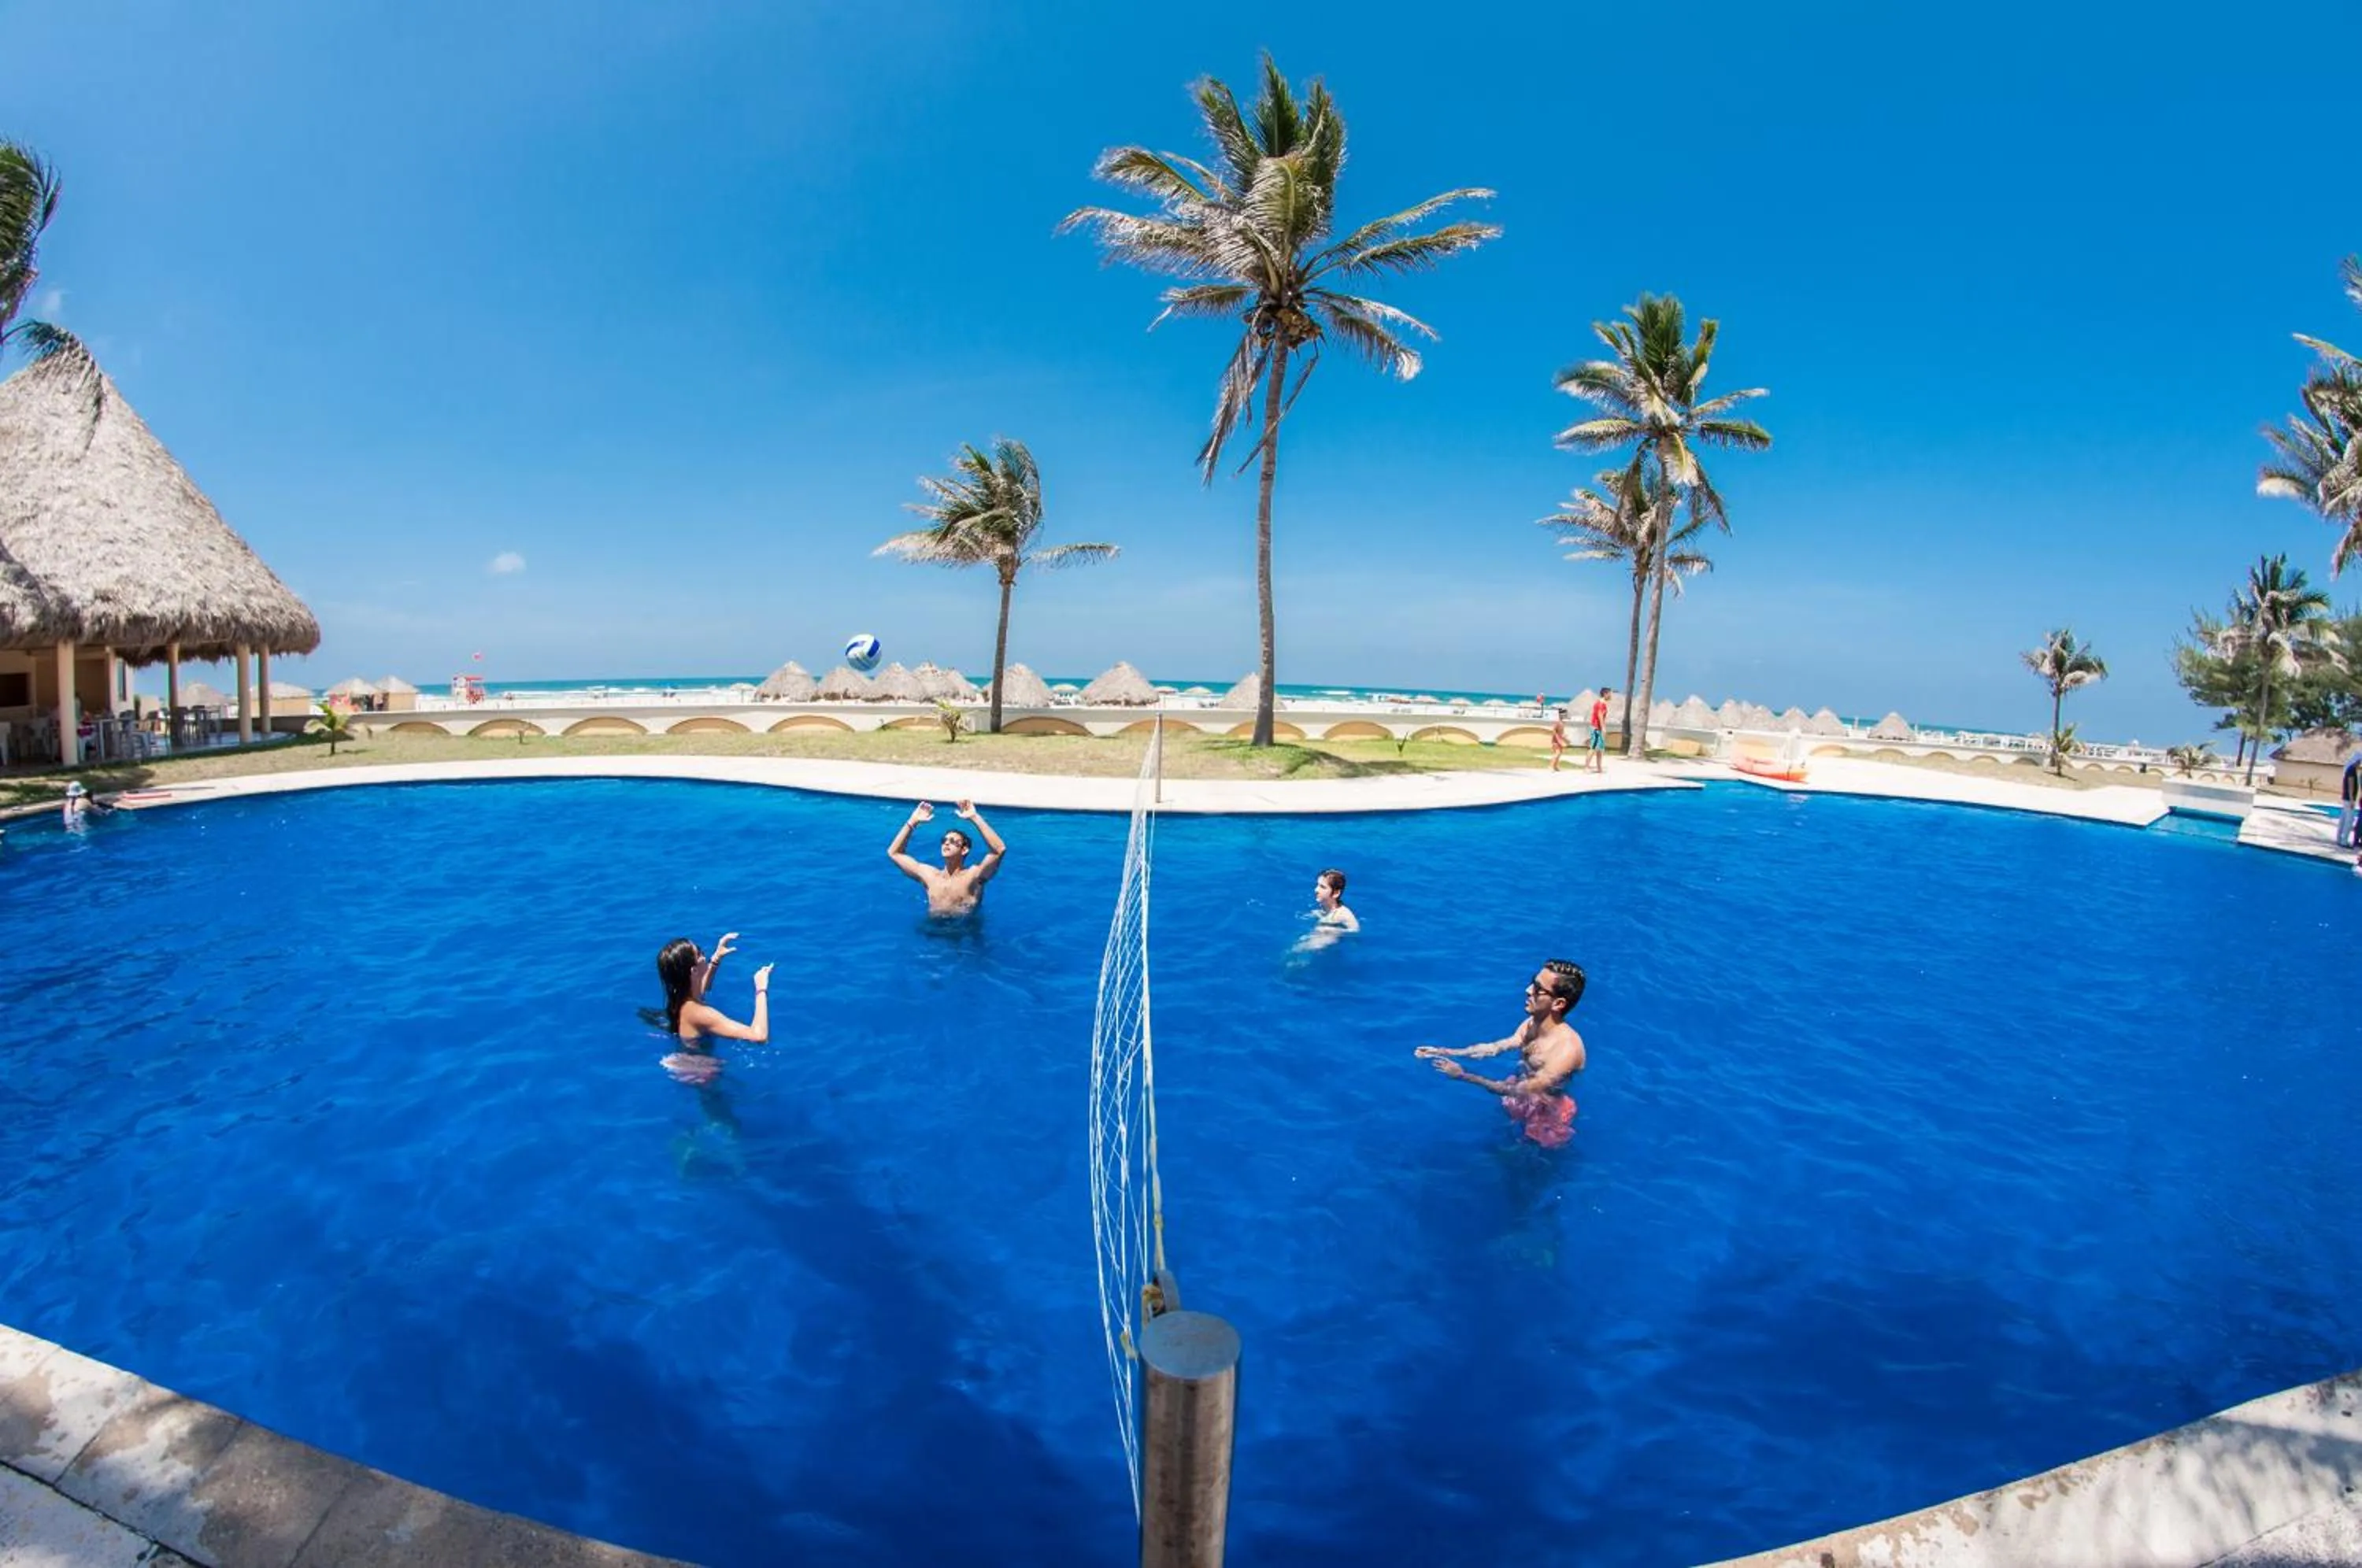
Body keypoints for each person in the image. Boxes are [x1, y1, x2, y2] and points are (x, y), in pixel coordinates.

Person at [1416, 960, 1589, 1148]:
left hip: (1549, 1112)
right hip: (1522, 1093)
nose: (1528, 990)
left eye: (1538, 989)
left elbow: (1522, 1090)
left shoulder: (1565, 1051)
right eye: (1533, 982)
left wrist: (1463, 1075)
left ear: (1558, 1003)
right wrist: (1445, 1051)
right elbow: (1497, 1047)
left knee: (1532, 1161)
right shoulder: (1532, 1023)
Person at [654, 932, 772, 1081]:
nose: (704, 955)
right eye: (700, 953)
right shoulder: (701, 1014)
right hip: (702, 1071)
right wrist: (761, 988)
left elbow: (701, 988)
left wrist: (716, 958)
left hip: (688, 1055)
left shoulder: (679, 998)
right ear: (694, 971)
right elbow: (759, 1036)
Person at [887, 799, 1006, 917]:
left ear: (964, 850)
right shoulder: (930, 876)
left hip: (964, 933)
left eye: (953, 841)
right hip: (932, 930)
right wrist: (912, 822)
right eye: (944, 841)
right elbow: (894, 853)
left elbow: (999, 850)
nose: (947, 844)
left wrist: (975, 817)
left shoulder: (973, 876)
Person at [2338, 753, 2361, 849]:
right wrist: (2352, 800)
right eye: (2359, 761)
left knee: (2343, 819)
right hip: (2349, 799)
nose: (2360, 763)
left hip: (2346, 798)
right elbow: (2351, 785)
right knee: (2349, 820)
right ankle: (2344, 841)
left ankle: (2339, 839)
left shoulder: (2349, 769)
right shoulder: (2352, 770)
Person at [1588, 689, 1612, 774]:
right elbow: (1600, 716)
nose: (1611, 696)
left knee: (1600, 749)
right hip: (1596, 728)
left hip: (1599, 728)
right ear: (1605, 694)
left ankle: (1599, 768)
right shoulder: (1600, 704)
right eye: (1609, 694)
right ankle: (1586, 767)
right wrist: (1603, 728)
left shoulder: (1603, 704)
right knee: (1593, 748)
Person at [1548, 708, 1569, 772]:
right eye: (1564, 714)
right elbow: (1554, 731)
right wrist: (1558, 739)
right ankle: (1551, 766)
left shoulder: (1562, 723)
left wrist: (1565, 738)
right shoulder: (1558, 722)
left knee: (1559, 753)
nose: (1565, 716)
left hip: (1560, 740)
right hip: (1556, 741)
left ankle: (1555, 766)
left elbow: (1561, 733)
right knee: (1557, 753)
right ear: (1560, 715)